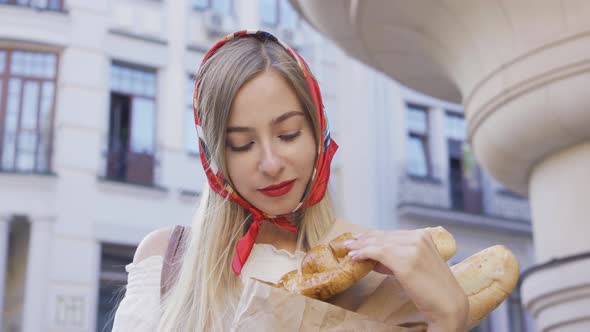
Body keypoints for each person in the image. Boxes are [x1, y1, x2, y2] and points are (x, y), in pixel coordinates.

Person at [112, 30, 469, 332]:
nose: (270, 163)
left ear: (318, 134)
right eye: (242, 144)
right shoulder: (167, 260)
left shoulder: (371, 273)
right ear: (214, 157)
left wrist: (449, 318)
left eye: (288, 134)